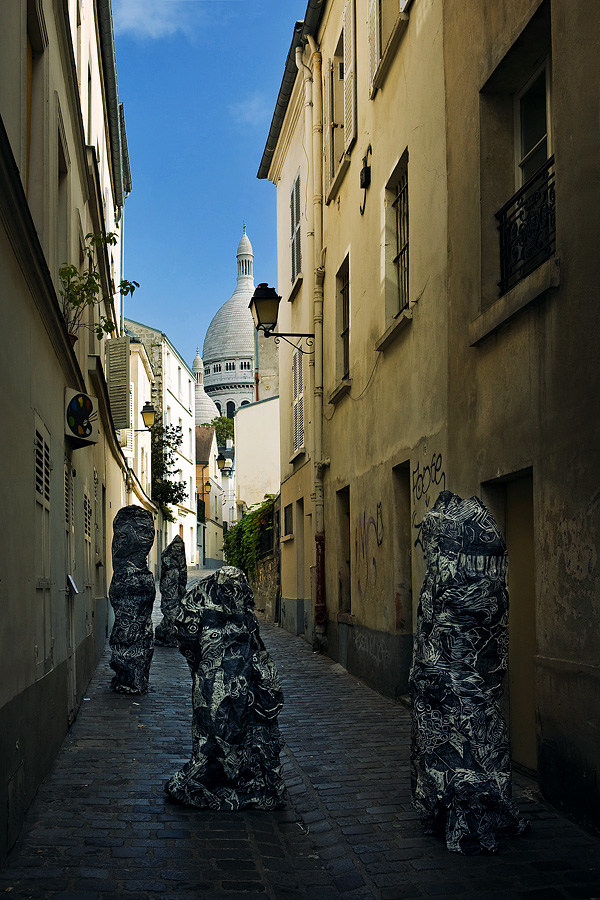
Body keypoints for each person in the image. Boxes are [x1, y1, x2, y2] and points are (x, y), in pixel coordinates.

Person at [410, 490, 528, 854]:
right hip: (473, 693)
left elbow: (434, 640)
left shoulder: (445, 589)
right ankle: (472, 810)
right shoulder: (486, 586)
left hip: (453, 692)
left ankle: (462, 816)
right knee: (479, 745)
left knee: (460, 750)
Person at [165, 566, 286, 810]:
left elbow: (256, 648)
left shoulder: (237, 612)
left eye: (237, 590)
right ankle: (222, 777)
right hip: (215, 684)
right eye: (229, 590)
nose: (234, 595)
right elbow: (185, 636)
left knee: (233, 731)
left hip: (237, 682)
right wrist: (202, 665)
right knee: (215, 732)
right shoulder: (203, 605)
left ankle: (235, 777)